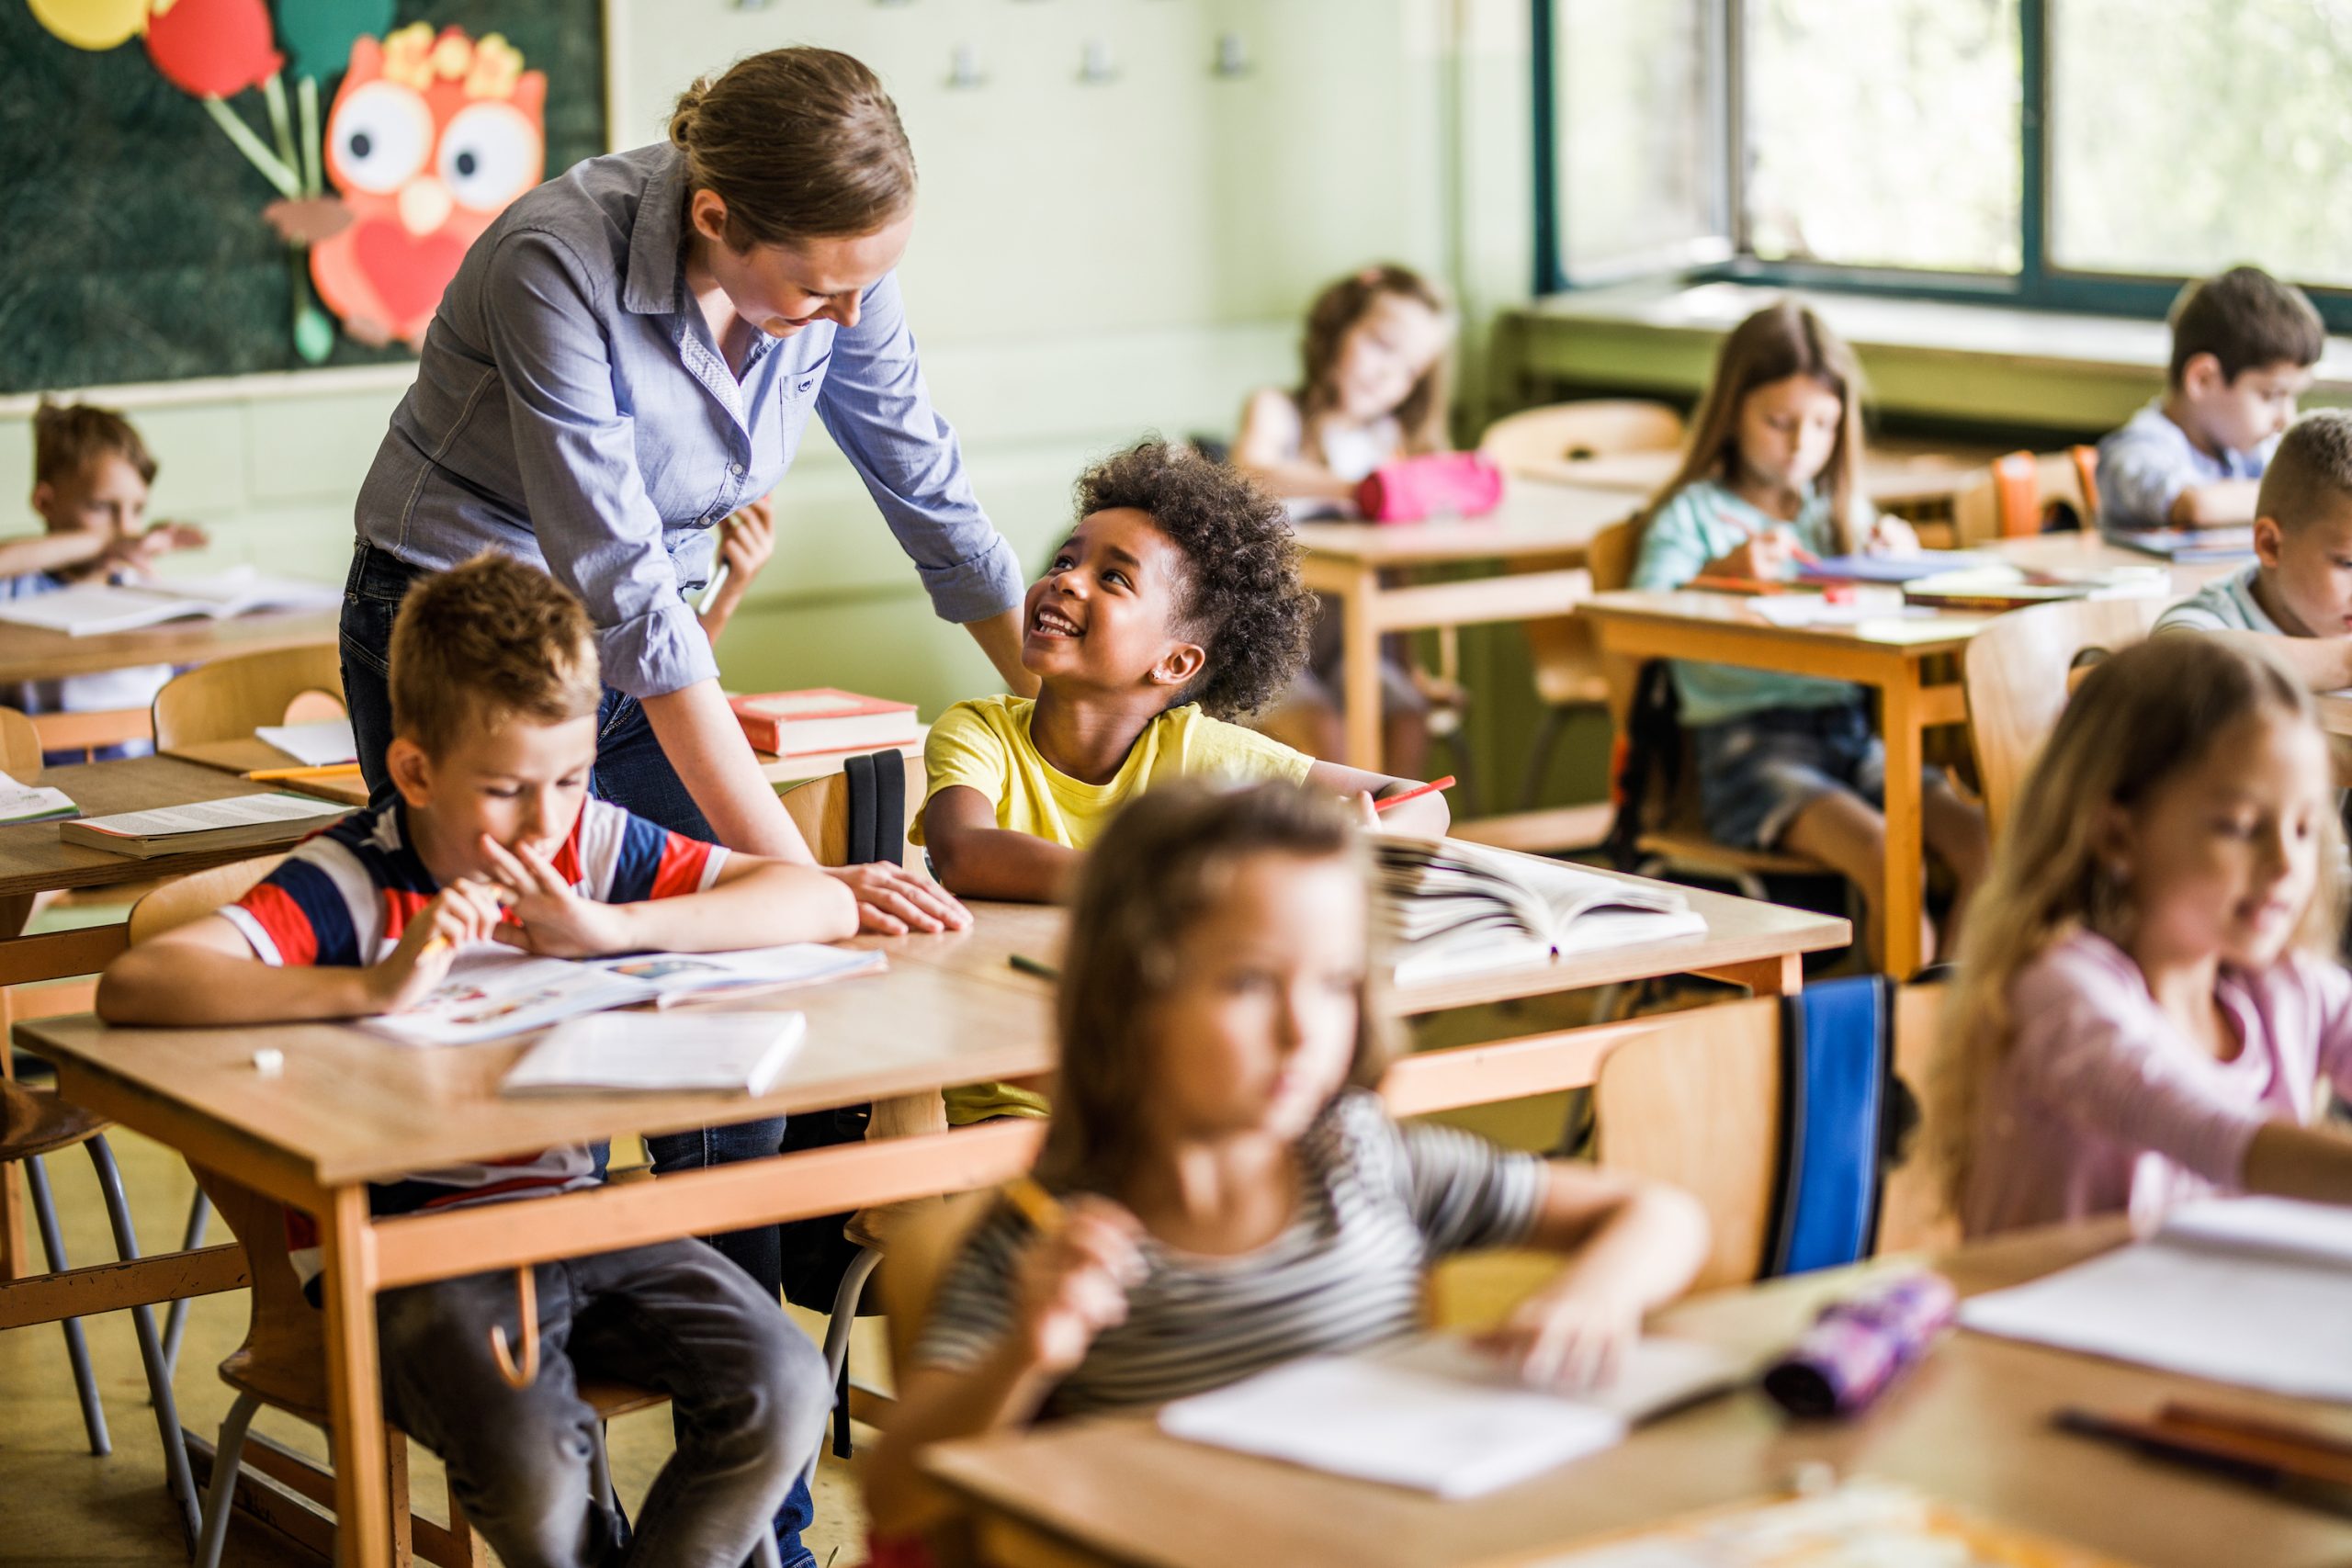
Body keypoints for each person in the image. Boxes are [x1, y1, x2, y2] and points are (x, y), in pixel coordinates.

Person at [96, 554, 852, 1567]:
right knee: (535, 1467)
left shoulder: (581, 842)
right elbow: (139, 985)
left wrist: (605, 929)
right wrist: (370, 989)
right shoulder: (354, 879)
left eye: (574, 779)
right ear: (414, 772)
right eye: (504, 791)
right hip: (411, 1263)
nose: (546, 824)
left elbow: (819, 900)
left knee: (788, 1386)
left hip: (582, 1226)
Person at [862, 781, 1709, 1538]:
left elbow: (1659, 1215)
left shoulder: (1363, 1161)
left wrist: (1592, 1294)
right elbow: (897, 1500)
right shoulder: (1048, 1238)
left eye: (1335, 984)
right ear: (1131, 999)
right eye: (1249, 984)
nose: (1305, 1032)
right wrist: (1028, 1352)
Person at [914, 440, 1442, 1122]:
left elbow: (1419, 803)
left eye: (1114, 579)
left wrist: (1358, 850)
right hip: (1005, 1103)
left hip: (1160, 1108)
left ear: (1175, 662)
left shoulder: (1196, 749)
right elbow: (966, 851)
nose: (1067, 580)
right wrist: (1157, 885)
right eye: (1066, 560)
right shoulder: (979, 731)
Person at [1941, 636, 2352, 1238]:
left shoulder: (2286, 985)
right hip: (2039, 1325)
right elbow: (2211, 1130)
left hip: (2207, 1317)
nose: (2286, 863)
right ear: (2116, 833)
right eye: (2240, 827)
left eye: (2303, 827)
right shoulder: (2059, 992)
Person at [1628, 299, 1986, 967]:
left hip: (1854, 737)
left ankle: (1947, 1038)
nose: (1801, 445)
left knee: (1987, 845)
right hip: (1749, 752)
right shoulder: (1694, 515)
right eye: (1779, 422)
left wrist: (1895, 556)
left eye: (1823, 424)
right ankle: (1902, 1054)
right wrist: (1717, 575)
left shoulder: (1837, 512)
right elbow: (1639, 621)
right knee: (1893, 861)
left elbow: (1887, 605)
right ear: (1733, 412)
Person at [1233, 265, 1456, 773]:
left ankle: (1396, 849)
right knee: (1326, 733)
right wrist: (1354, 489)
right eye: (1380, 345)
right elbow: (1251, 472)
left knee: (1406, 720)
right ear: (1337, 327)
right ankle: (1345, 847)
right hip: (1265, 642)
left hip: (1354, 640)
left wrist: (1413, 667)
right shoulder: (1277, 410)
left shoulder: (1387, 441)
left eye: (1409, 371)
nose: (1386, 376)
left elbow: (1395, 571)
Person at [8, 401, 209, 758]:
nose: (127, 530)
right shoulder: (17, 590)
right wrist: (103, 543)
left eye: (137, 510)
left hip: (155, 776)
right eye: (102, 508)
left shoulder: (143, 588)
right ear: (45, 502)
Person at [2096, 265, 2323, 533]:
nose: (2286, 419)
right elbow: (2196, 505)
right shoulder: (2134, 452)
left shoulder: (2248, 453)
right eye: (2271, 395)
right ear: (2202, 379)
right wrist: (2303, 499)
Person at [2154, 410, 2352, 692]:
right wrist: (2346, 663)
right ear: (2270, 544)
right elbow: (2179, 664)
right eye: (2348, 564)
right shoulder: (2208, 621)